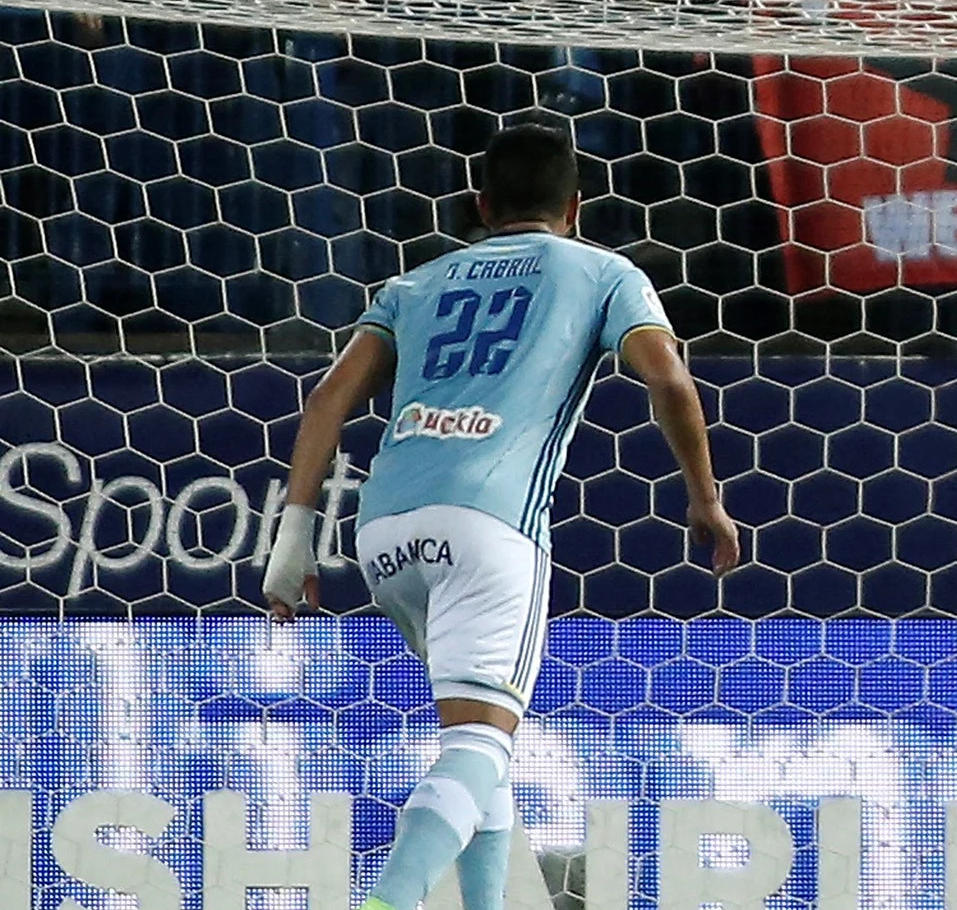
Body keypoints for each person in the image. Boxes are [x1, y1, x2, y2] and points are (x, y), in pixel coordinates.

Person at [258, 123, 737, 910]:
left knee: (484, 747)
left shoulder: (416, 283)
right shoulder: (603, 271)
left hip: (383, 534)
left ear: (480, 203)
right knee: (480, 741)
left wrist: (295, 538)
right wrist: (706, 497)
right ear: (577, 206)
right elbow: (671, 381)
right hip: (490, 525)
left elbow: (328, 398)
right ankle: (387, 899)